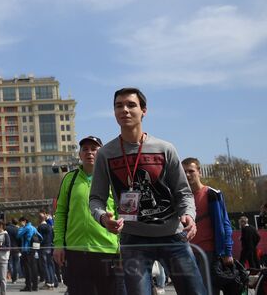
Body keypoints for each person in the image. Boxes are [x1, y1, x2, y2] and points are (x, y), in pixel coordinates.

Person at [89, 87, 204, 295]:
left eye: (131, 105)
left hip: (173, 235)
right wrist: (103, 218)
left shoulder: (165, 148)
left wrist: (189, 215)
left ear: (144, 110)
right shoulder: (105, 154)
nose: (124, 110)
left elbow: (183, 192)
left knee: (195, 291)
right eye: (118, 106)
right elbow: (96, 199)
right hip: (133, 240)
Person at [53, 135, 122, 295]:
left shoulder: (113, 178)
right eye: (85, 149)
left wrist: (122, 247)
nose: (89, 152)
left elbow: (122, 213)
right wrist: (58, 245)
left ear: (102, 153)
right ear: (79, 155)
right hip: (76, 251)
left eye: (94, 149)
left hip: (107, 251)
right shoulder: (69, 179)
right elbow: (61, 213)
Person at [182, 157, 238, 294]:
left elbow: (225, 223)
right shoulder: (180, 197)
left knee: (208, 291)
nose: (188, 175)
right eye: (184, 172)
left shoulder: (212, 194)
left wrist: (227, 252)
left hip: (209, 253)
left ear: (199, 172)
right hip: (185, 253)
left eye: (191, 171)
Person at [16, 216, 41, 292]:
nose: (20, 224)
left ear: (24, 221)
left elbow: (18, 235)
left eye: (21, 222)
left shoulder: (26, 228)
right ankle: (35, 286)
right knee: (34, 268)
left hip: (26, 250)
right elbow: (41, 237)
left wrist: (21, 228)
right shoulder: (33, 228)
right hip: (33, 250)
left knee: (27, 269)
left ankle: (28, 286)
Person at [36, 211, 56, 289]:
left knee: (45, 265)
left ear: (39, 219)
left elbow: (39, 238)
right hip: (50, 247)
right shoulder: (50, 227)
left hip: (43, 248)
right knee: (50, 265)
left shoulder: (40, 227)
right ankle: (52, 282)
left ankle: (48, 282)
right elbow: (53, 237)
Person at [5, 219, 20, 284]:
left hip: (8, 248)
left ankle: (10, 273)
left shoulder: (6, 229)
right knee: (15, 263)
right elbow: (19, 239)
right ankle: (14, 279)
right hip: (16, 248)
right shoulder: (16, 229)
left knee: (8, 263)